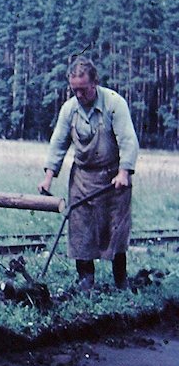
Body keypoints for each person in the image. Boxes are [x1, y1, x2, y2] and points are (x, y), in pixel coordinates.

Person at [37, 56, 139, 290]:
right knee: (81, 230)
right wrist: (48, 177)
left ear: (95, 83)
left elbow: (127, 140)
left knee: (116, 230)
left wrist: (124, 172)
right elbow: (59, 143)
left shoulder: (115, 103)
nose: (79, 96)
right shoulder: (69, 109)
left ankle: (120, 280)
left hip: (114, 180)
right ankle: (86, 280)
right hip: (83, 178)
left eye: (83, 90)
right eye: (75, 91)